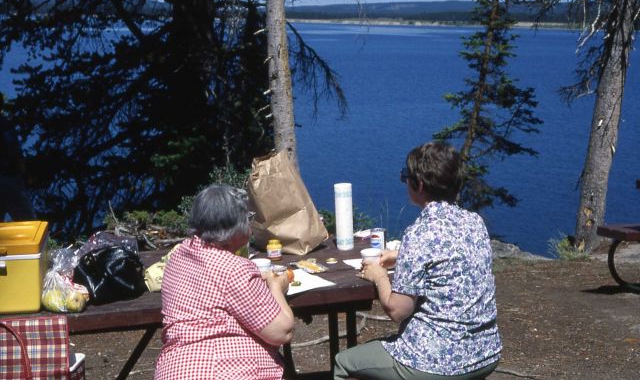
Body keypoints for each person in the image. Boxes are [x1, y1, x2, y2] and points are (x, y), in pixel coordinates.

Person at [334, 142, 501, 380]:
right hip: (485, 353)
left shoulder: (420, 233)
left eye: (406, 177)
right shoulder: (474, 222)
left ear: (419, 184)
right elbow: (450, 257)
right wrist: (401, 256)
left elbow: (398, 310)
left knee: (344, 363)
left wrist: (380, 277)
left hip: (436, 361)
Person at [154, 184, 295, 380]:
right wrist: (276, 287)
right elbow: (283, 332)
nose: (250, 224)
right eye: (248, 218)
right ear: (235, 227)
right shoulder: (234, 268)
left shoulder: (179, 255)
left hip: (176, 369)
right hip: (226, 369)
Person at [0, 95, 35, 221]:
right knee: (27, 222)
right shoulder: (4, 124)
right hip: (8, 177)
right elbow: (13, 150)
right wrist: (25, 174)